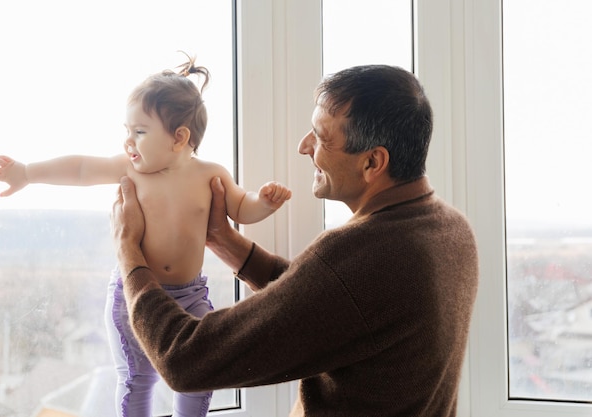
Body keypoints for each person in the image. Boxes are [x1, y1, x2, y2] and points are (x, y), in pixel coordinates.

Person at [111, 64, 479, 417]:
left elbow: (184, 362)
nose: (304, 147)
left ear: (372, 163)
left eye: (321, 137)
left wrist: (129, 252)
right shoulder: (451, 230)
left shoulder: (361, 256)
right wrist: (226, 242)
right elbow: (337, 307)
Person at [0, 54, 292, 417]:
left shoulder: (210, 174)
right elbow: (81, 167)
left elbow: (240, 209)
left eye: (139, 132)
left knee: (199, 375)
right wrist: (27, 172)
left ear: (180, 138)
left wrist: (264, 203)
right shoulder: (131, 169)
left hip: (190, 296)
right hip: (133, 297)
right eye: (126, 130)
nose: (128, 141)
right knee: (136, 379)